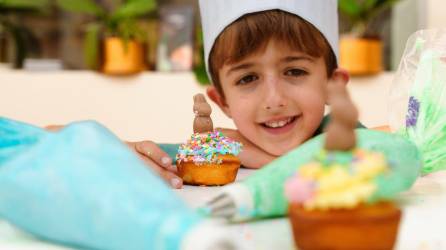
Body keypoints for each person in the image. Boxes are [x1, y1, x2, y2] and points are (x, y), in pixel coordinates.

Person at [128, 0, 365, 189]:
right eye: (247, 78)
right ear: (222, 102)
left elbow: (391, 152)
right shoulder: (219, 155)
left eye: (294, 71)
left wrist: (268, 161)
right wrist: (125, 152)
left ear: (333, 86)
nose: (274, 100)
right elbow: (147, 157)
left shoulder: (345, 135)